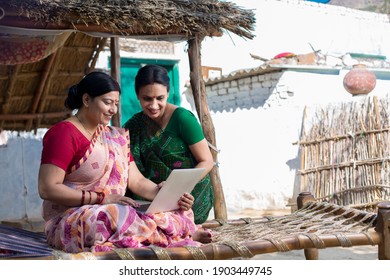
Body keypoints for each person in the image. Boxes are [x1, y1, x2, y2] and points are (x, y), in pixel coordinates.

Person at [38, 71, 211, 254]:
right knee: (110, 216)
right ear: (87, 100)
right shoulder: (64, 134)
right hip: (72, 219)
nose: (113, 110)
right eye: (107, 102)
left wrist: (166, 194)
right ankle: (180, 235)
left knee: (173, 211)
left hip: (114, 210)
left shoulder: (114, 136)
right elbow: (47, 188)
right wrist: (101, 199)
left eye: (116, 104)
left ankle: (176, 233)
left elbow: (136, 181)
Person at [123, 65, 214, 224]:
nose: (153, 105)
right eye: (147, 99)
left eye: (160, 98)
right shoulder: (133, 126)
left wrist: (178, 189)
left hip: (189, 197)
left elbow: (207, 161)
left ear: (168, 93)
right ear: (137, 95)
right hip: (150, 197)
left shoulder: (182, 119)